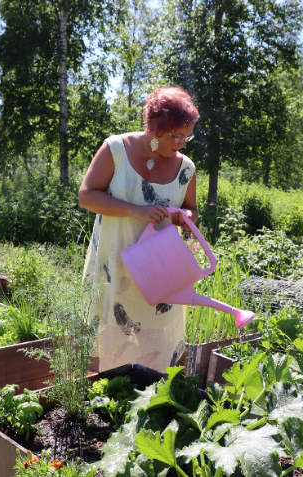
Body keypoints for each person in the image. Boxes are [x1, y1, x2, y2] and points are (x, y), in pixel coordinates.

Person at [79, 85, 199, 372]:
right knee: (108, 333)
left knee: (156, 336)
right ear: (154, 127)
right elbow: (87, 196)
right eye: (176, 135)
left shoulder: (186, 169)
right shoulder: (116, 150)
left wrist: (185, 216)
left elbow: (193, 209)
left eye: (187, 135)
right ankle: (104, 397)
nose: (183, 142)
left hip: (158, 268)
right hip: (114, 261)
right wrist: (137, 210)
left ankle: (150, 396)